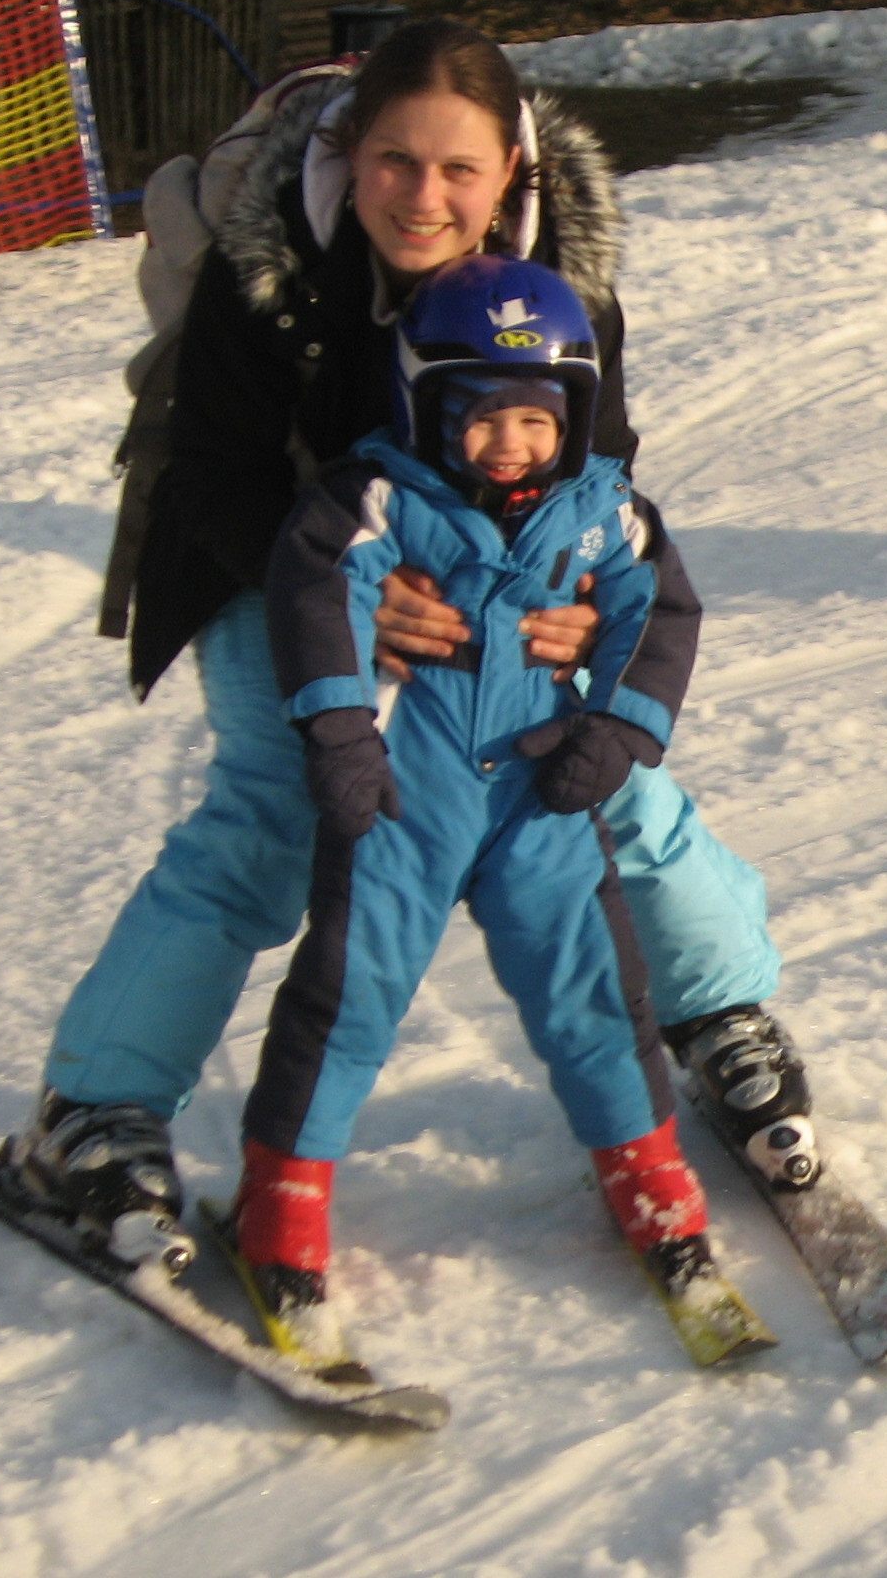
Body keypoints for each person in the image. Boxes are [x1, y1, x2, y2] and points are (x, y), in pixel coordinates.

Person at [4, 19, 816, 1267]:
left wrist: (580, 600)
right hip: (270, 556)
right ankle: (94, 1107)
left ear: (510, 172)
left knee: (597, 781)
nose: (423, 196)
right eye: (396, 160)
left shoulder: (567, 279)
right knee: (280, 807)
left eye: (458, 169)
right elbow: (209, 473)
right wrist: (349, 592)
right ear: (351, 151)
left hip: (497, 581)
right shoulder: (272, 268)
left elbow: (603, 465)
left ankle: (719, 1016)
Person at [234, 254, 723, 1350]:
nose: (511, 443)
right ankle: (284, 1196)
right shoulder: (380, 498)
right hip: (407, 788)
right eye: (481, 416)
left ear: (573, 418)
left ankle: (646, 1171)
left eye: (536, 420)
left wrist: (618, 730)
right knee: (351, 989)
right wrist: (340, 733)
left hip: (541, 788)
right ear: (428, 408)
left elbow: (660, 613)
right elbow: (318, 593)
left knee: (591, 982)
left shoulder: (605, 513)